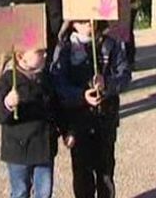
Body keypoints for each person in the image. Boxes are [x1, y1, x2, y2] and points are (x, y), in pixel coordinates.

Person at [50, 20, 131, 198]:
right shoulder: (65, 48)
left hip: (105, 118)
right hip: (78, 120)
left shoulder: (111, 43)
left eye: (90, 18)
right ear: (73, 22)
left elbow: (124, 75)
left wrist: (107, 84)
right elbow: (58, 83)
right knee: (82, 172)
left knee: (106, 171)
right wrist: (80, 96)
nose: (88, 23)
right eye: (81, 19)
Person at [0, 49, 71, 198]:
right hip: (18, 150)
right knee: (20, 191)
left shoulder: (46, 78)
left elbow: (57, 108)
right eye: (39, 52)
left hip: (44, 147)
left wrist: (67, 130)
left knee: (44, 192)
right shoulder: (7, 81)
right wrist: (7, 104)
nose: (45, 54)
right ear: (22, 56)